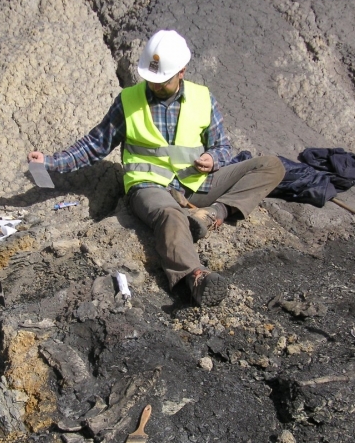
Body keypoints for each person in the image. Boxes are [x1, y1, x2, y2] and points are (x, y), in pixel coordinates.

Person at [28, 30, 285, 306]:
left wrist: (213, 159)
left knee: (271, 166)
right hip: (149, 187)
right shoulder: (128, 101)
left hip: (195, 183)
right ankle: (195, 277)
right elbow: (95, 145)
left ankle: (213, 213)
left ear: (182, 72)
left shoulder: (203, 98)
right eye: (150, 79)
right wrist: (51, 162)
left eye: (162, 80)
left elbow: (223, 147)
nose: (154, 85)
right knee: (171, 215)